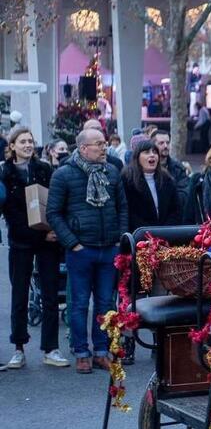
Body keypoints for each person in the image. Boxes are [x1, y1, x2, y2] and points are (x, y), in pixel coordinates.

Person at [47, 128, 128, 373]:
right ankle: (82, 352)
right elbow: (54, 213)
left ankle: (101, 352)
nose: (104, 148)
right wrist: (73, 243)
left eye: (104, 143)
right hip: (81, 250)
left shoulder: (112, 172)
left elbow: (122, 208)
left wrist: (119, 241)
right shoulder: (63, 175)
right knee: (80, 304)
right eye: (98, 144)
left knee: (106, 303)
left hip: (108, 248)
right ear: (83, 148)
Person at [0, 127, 68, 369]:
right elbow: (11, 215)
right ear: (13, 146)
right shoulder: (4, 173)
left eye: (30, 141)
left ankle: (51, 348)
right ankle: (18, 348)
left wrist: (54, 231)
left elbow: (56, 202)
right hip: (21, 242)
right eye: (23, 141)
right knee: (19, 295)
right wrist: (41, 234)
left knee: (50, 295)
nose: (28, 145)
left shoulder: (44, 169)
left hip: (47, 242)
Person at [122, 138, 182, 232]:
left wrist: (164, 231)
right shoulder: (128, 179)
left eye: (154, 152)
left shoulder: (167, 179)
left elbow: (175, 210)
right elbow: (129, 213)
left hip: (166, 234)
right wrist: (149, 232)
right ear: (137, 157)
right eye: (147, 152)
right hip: (140, 235)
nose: (152, 155)